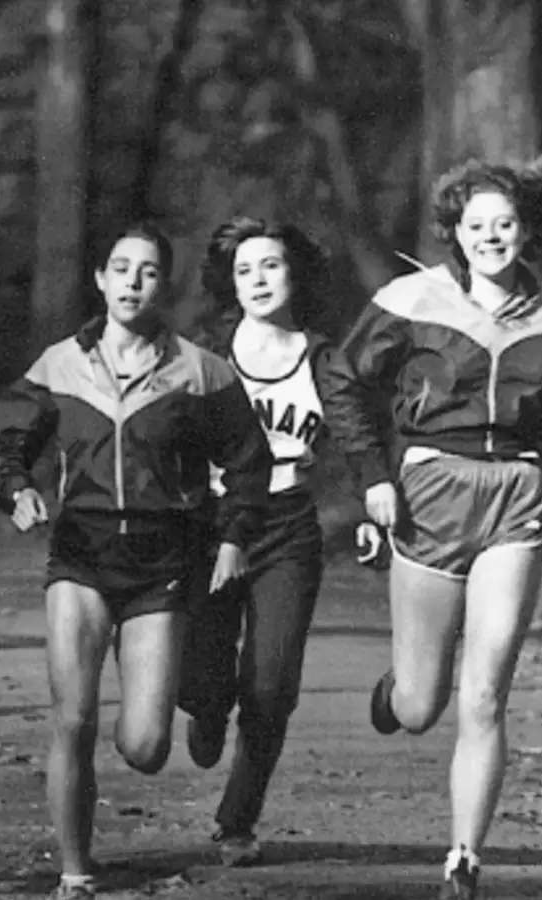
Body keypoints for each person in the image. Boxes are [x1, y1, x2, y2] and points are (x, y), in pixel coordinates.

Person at [322, 153, 542, 900]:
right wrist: (373, 480)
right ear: (455, 233)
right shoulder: (411, 299)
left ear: (524, 232)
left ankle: (464, 858)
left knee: (486, 693)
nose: (492, 236)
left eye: (505, 224)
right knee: (424, 706)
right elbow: (342, 380)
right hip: (431, 490)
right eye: (476, 225)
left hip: (517, 495)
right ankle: (399, 693)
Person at [0, 221, 271, 900]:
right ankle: (76, 872)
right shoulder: (59, 364)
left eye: (147, 272)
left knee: (144, 747)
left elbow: (249, 461)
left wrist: (234, 535)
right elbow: (1, 444)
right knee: (73, 719)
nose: (132, 282)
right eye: (121, 268)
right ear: (101, 280)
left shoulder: (199, 370)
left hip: (160, 564)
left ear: (161, 285)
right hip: (80, 555)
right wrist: (17, 488)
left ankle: (176, 697)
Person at [176, 216, 340, 867]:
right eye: (244, 270)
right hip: (212, 527)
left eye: (270, 265)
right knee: (205, 671)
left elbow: (358, 430)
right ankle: (206, 708)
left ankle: (237, 819)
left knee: (271, 683)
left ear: (294, 272)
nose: (258, 280)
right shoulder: (206, 354)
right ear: (228, 282)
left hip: (288, 528)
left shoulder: (323, 357)